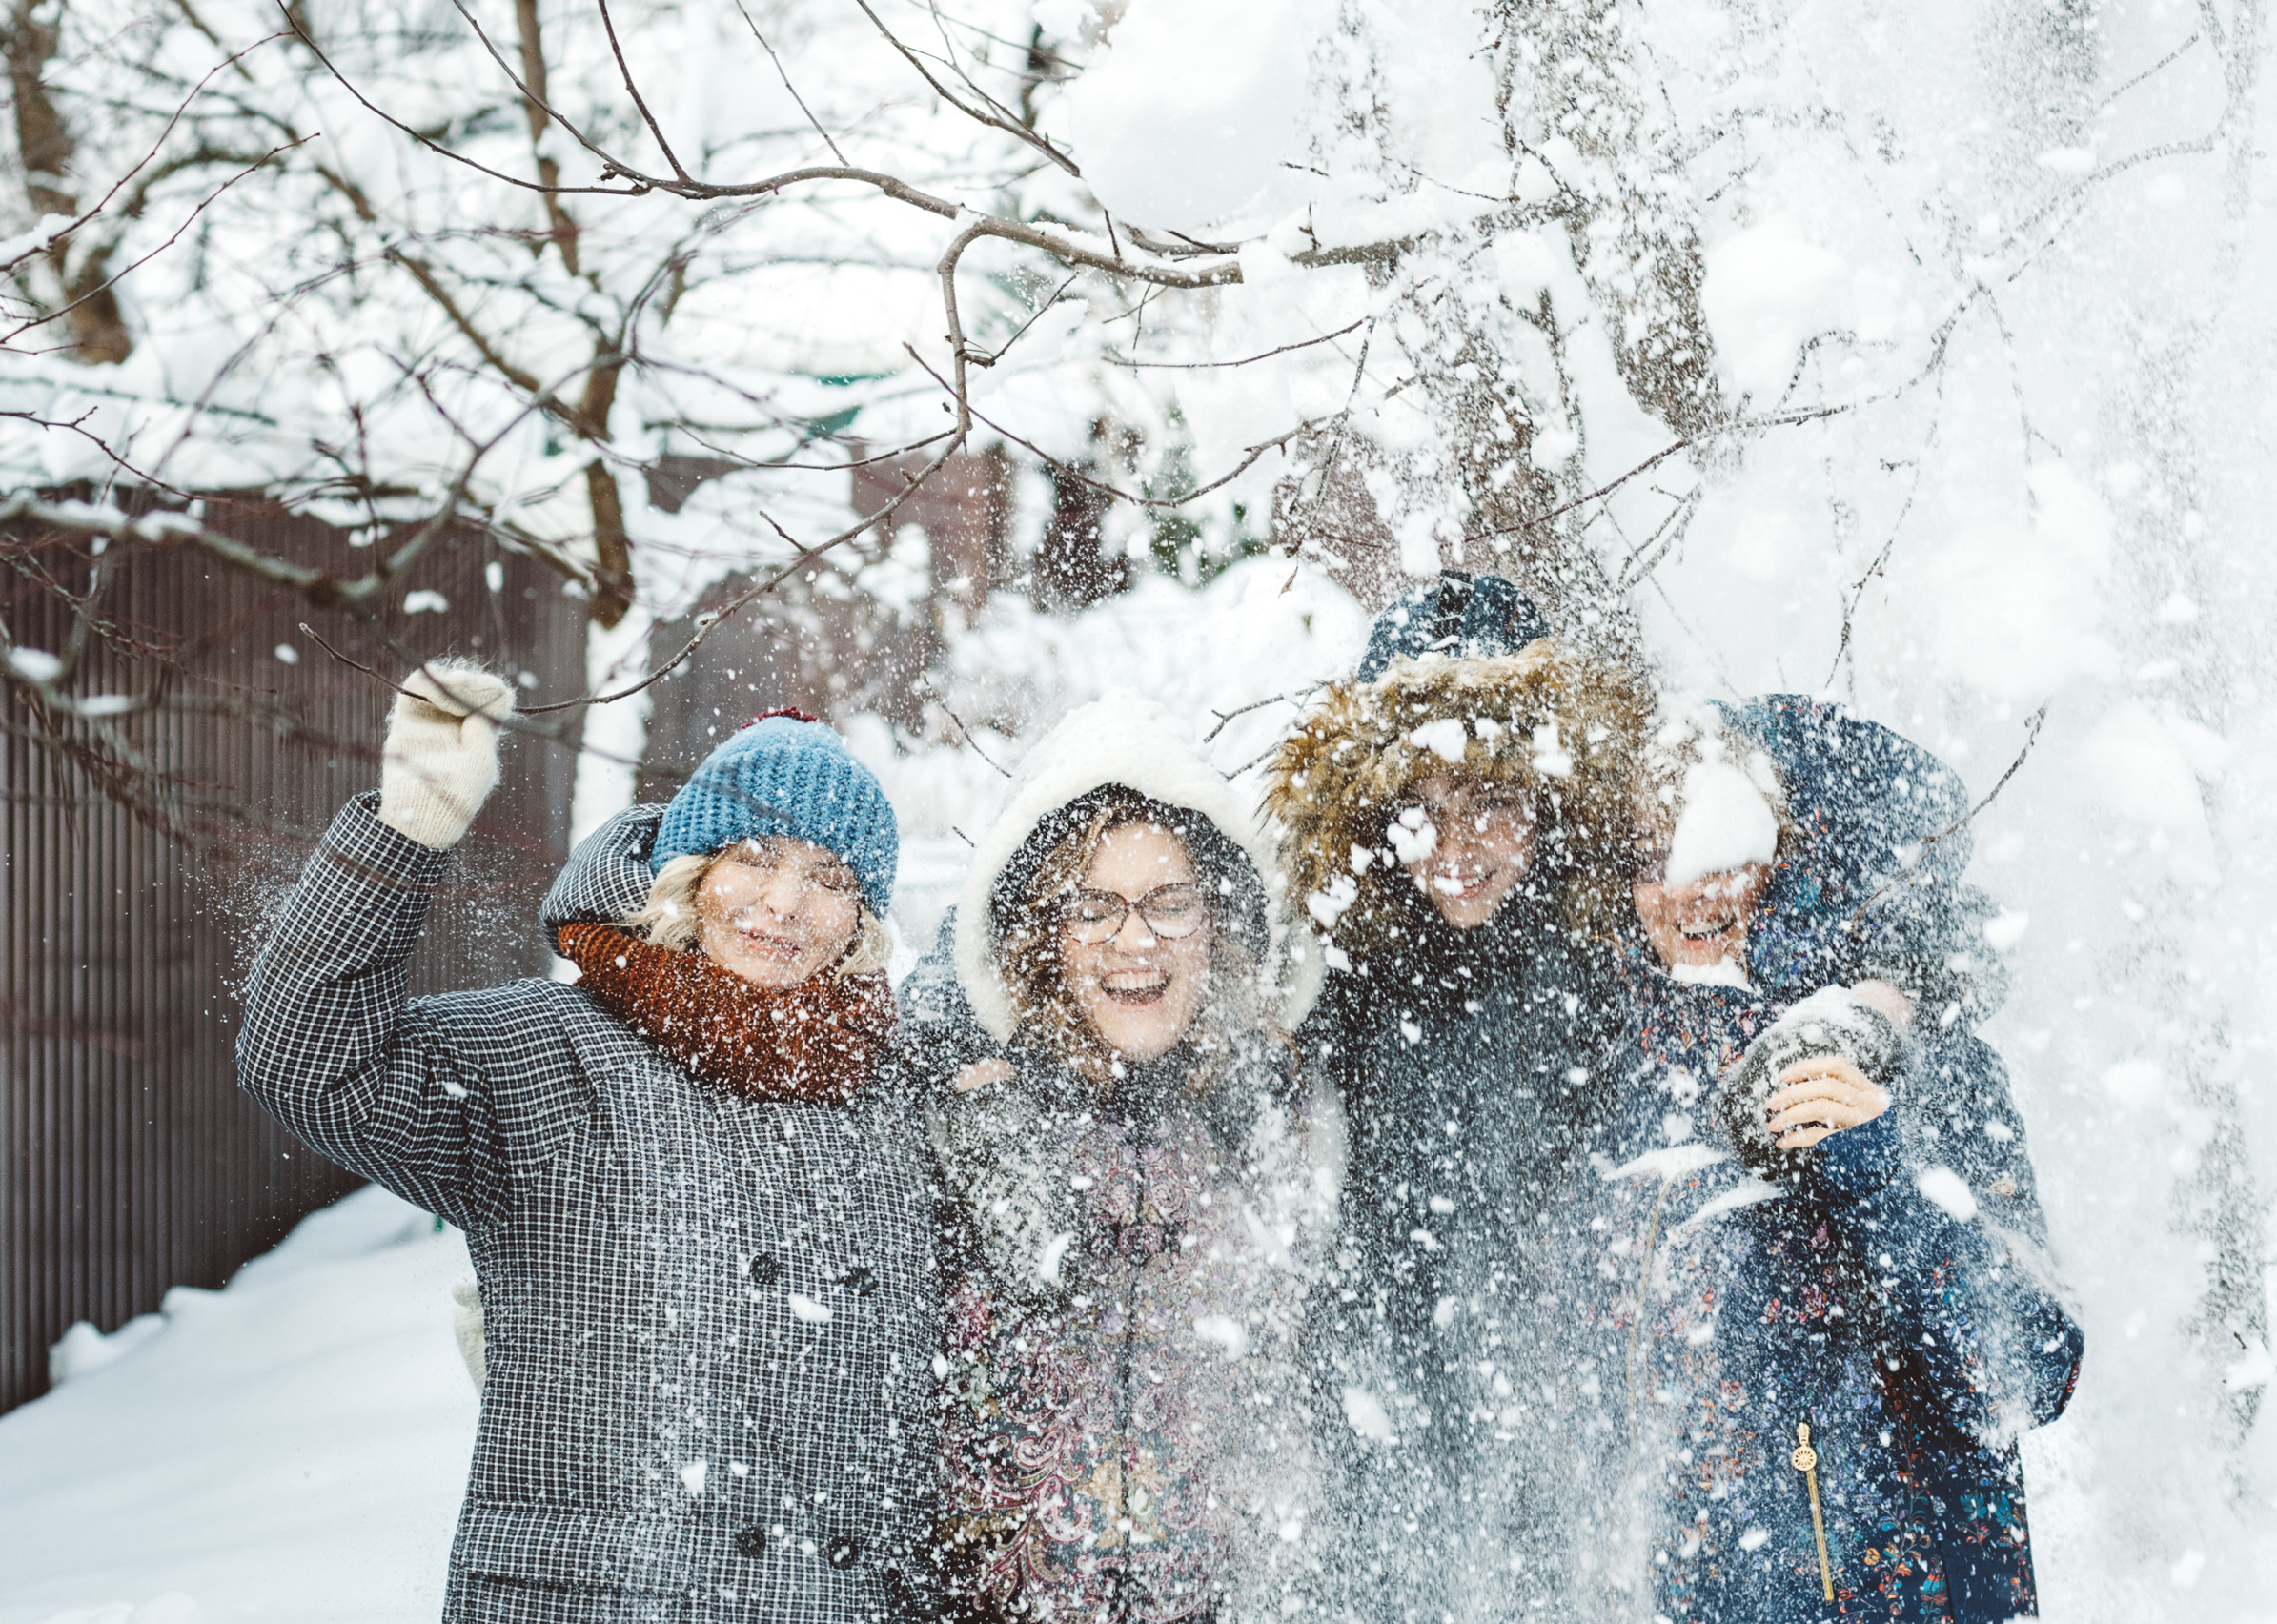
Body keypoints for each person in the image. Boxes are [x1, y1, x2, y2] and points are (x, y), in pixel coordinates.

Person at [237, 672, 940, 1623]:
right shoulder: (551, 1053)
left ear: (861, 917)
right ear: (690, 874)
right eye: (756, 857)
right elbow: (307, 1062)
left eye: (829, 878)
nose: (785, 902)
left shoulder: (894, 1097)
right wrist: (406, 831)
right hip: (593, 1599)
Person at [1559, 708, 2081, 1624]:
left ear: (1786, 858)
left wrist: (1880, 1171)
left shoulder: (1919, 1061)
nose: (1686, 884)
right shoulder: (1610, 1083)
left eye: (1720, 843)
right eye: (1652, 853)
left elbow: (2034, 1369)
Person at [1266, 586, 1654, 1620]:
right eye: (1419, 809)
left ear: (1551, 800)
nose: (1456, 844)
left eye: (1490, 802)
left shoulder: (1617, 961)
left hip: (1571, 1427)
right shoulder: (1328, 972)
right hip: (1370, 1418)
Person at [907, 692, 1332, 1624]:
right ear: (1043, 936)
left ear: (1216, 922)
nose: (1133, 940)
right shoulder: (952, 1120)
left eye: (1169, 902)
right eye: (1092, 906)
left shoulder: (1282, 1129)